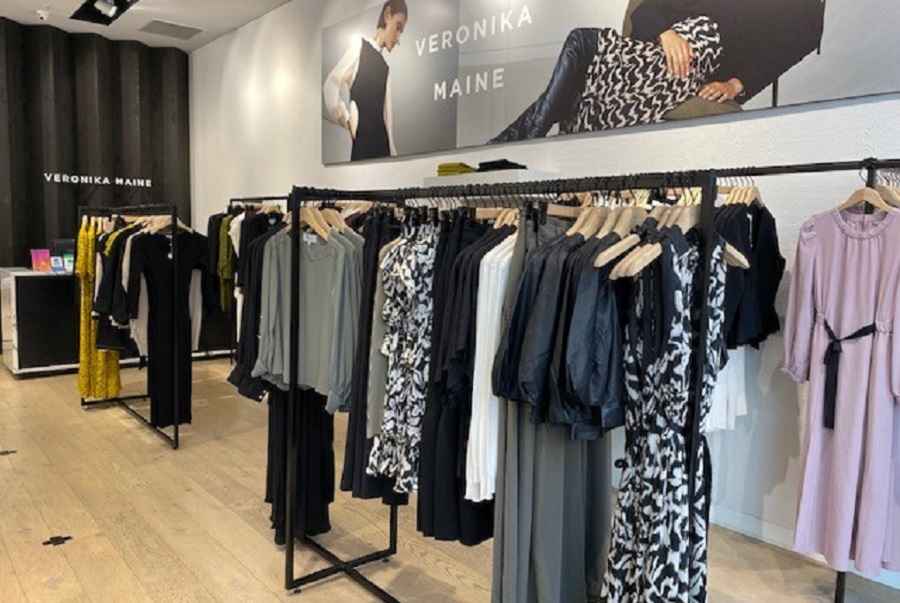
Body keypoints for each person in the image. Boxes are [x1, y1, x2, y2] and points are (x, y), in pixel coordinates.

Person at [489, 0, 825, 143]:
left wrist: (737, 84)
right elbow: (647, 8)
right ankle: (513, 143)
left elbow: (803, 35)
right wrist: (665, 34)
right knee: (581, 79)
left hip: (696, 59)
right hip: (653, 52)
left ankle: (512, 144)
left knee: (582, 49)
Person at [324, 0, 408, 161]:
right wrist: (346, 118)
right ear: (387, 15)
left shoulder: (386, 68)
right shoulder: (360, 46)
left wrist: (394, 160)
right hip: (363, 150)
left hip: (382, 152)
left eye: (401, 32)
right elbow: (331, 85)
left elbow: (387, 122)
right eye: (398, 27)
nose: (398, 38)